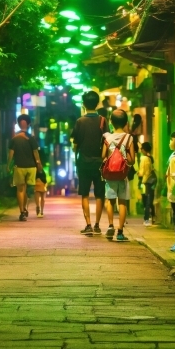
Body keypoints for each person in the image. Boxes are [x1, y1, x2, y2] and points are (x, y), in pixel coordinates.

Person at [71, 90, 107, 235]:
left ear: (84, 104)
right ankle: (98, 225)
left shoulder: (80, 121)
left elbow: (75, 143)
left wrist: (76, 156)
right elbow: (106, 141)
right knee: (100, 195)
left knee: (84, 194)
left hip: (84, 162)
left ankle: (88, 225)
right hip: (100, 162)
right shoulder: (103, 121)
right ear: (97, 103)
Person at [102, 109, 136, 242]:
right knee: (122, 202)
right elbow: (132, 160)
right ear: (126, 122)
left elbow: (103, 157)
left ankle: (110, 225)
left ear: (111, 122)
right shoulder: (129, 138)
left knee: (110, 201)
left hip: (110, 175)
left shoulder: (106, 137)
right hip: (122, 175)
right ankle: (120, 232)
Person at [7, 114, 42, 221]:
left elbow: (11, 153)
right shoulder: (31, 138)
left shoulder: (15, 138)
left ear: (18, 124)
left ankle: (22, 211)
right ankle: (25, 209)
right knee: (25, 189)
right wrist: (39, 164)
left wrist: (8, 165)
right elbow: (35, 152)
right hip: (31, 167)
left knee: (20, 189)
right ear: (29, 124)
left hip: (19, 167)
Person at [138, 142, 157, 226]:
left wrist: (138, 173)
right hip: (152, 181)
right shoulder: (150, 158)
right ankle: (153, 217)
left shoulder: (143, 158)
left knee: (146, 201)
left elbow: (142, 172)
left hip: (145, 182)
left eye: (141, 148)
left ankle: (146, 219)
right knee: (150, 199)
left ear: (144, 150)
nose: (140, 150)